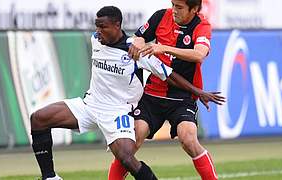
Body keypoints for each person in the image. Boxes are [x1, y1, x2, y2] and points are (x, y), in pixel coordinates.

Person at [30, 5, 223, 180]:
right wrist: (138, 41)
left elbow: (175, 70)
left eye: (102, 26)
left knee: (132, 155)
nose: (98, 31)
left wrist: (198, 91)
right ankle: (50, 177)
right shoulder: (97, 39)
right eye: (97, 26)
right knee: (38, 118)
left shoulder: (137, 52)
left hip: (122, 110)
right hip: (93, 104)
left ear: (116, 25)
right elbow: (140, 35)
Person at [108, 0, 220, 180]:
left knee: (189, 139)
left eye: (179, 7)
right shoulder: (161, 16)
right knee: (130, 143)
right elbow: (138, 37)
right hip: (152, 94)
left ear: (194, 9)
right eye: (173, 4)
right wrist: (138, 43)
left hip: (182, 97)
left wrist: (163, 48)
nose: (174, 10)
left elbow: (199, 54)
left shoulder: (201, 25)